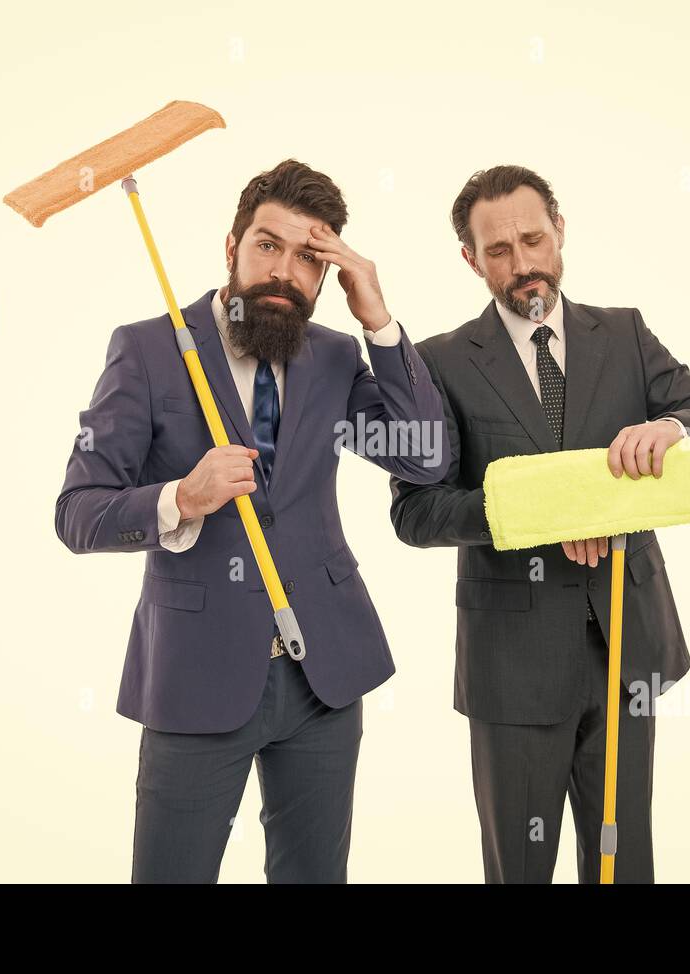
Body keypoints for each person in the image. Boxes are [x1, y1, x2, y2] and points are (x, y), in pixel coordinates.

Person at [56, 159, 448, 883]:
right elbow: (77, 513)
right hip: (194, 678)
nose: (284, 271)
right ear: (231, 246)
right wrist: (180, 497)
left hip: (325, 676)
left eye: (309, 258)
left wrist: (379, 321)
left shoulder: (334, 355)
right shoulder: (146, 350)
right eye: (268, 245)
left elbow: (423, 459)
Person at [389, 165, 690, 883]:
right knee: (520, 870)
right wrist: (544, 514)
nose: (522, 263)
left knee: (623, 864)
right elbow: (415, 509)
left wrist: (673, 427)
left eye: (533, 239)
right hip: (513, 666)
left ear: (560, 232)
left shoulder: (623, 335)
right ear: (471, 259)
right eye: (499, 250)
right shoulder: (438, 362)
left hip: (627, 646)